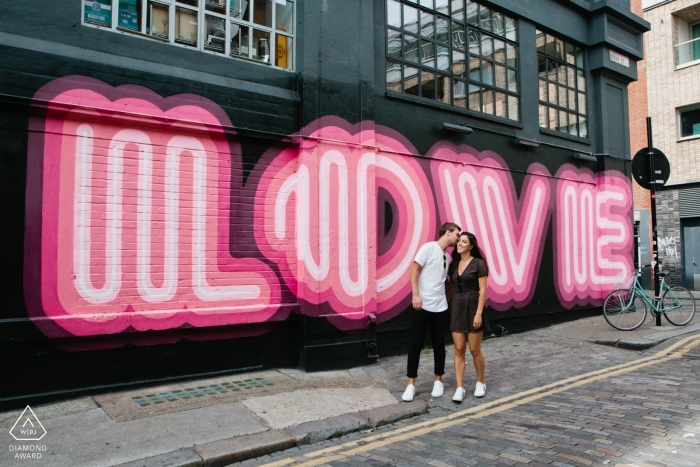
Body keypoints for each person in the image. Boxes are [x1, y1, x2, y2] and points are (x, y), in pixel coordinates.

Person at [402, 222, 461, 402]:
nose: (458, 238)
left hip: (440, 307)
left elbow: (445, 284)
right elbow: (414, 271)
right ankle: (411, 384)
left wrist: (445, 299)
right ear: (448, 232)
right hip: (422, 305)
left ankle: (438, 381)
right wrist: (415, 295)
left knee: (438, 344)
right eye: (457, 234)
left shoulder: (447, 257)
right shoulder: (429, 247)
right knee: (416, 344)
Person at [447, 231, 489, 402]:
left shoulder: (479, 264)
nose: (460, 244)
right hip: (457, 306)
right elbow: (451, 288)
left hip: (473, 305)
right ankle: (459, 388)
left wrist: (479, 313)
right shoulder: (454, 265)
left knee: (474, 349)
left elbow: (483, 290)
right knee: (458, 349)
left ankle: (480, 382)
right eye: (459, 241)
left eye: (464, 242)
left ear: (471, 245)